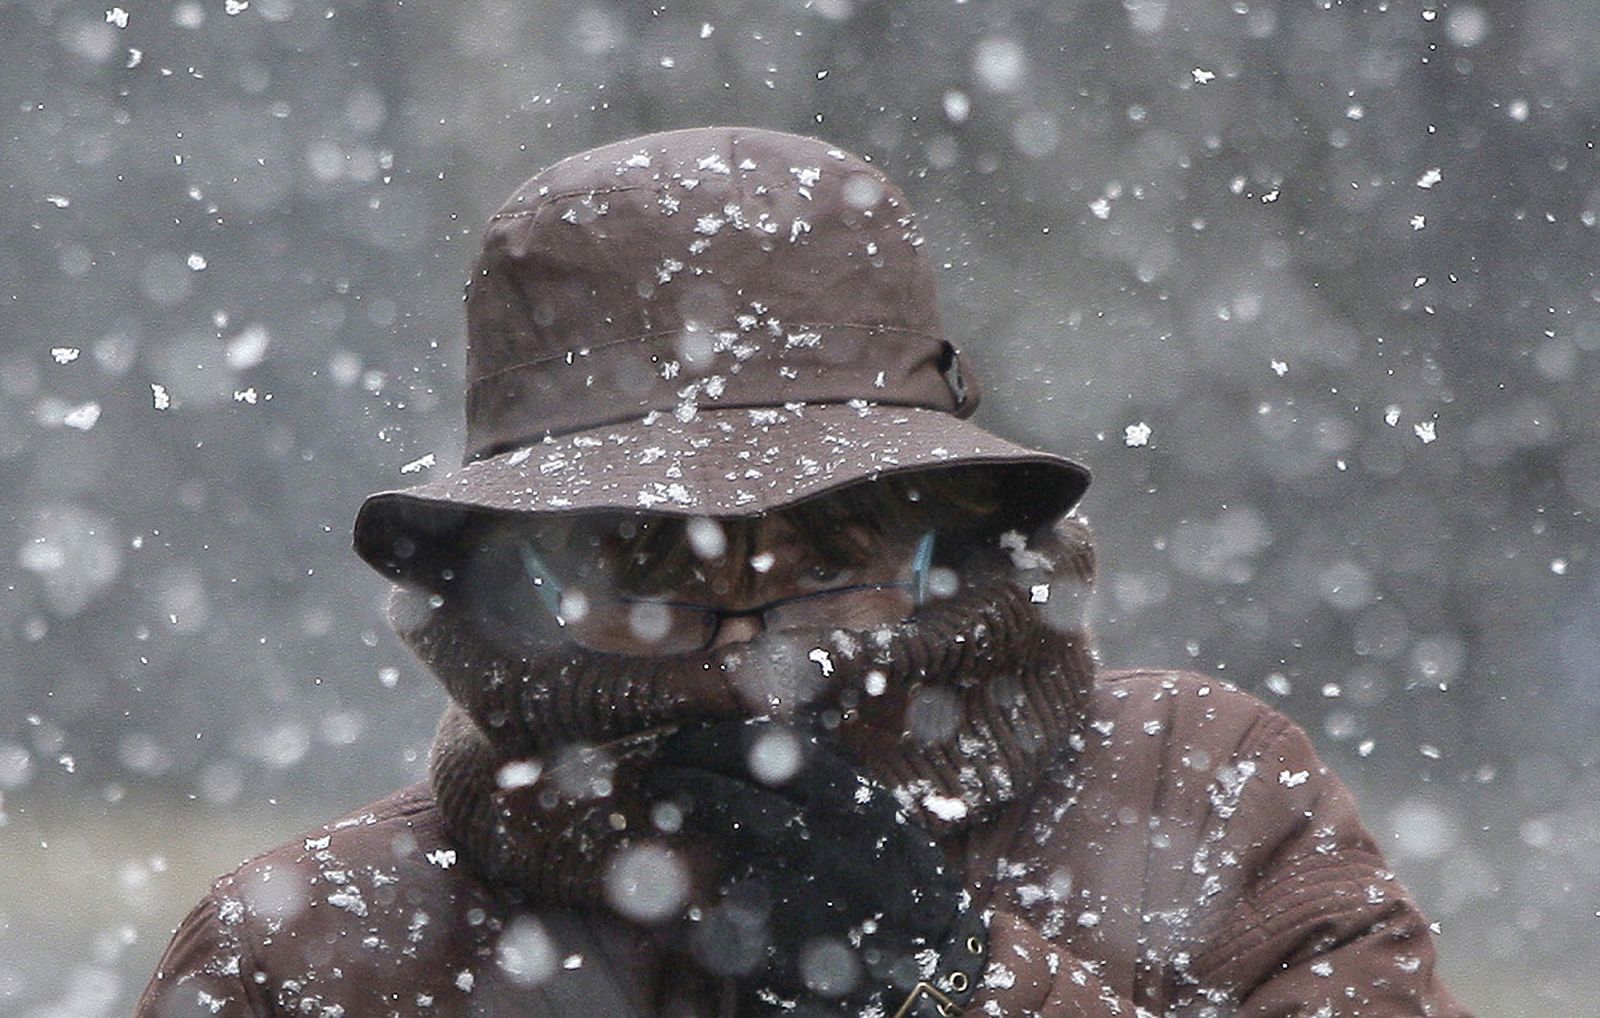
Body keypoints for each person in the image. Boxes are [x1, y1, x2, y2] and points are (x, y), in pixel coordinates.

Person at [137, 126, 1470, 1017]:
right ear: (508, 590)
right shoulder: (314, 947)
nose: (749, 651)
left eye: (831, 551)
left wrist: (952, 982)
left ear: (959, 542)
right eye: (646, 562)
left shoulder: (1204, 796)